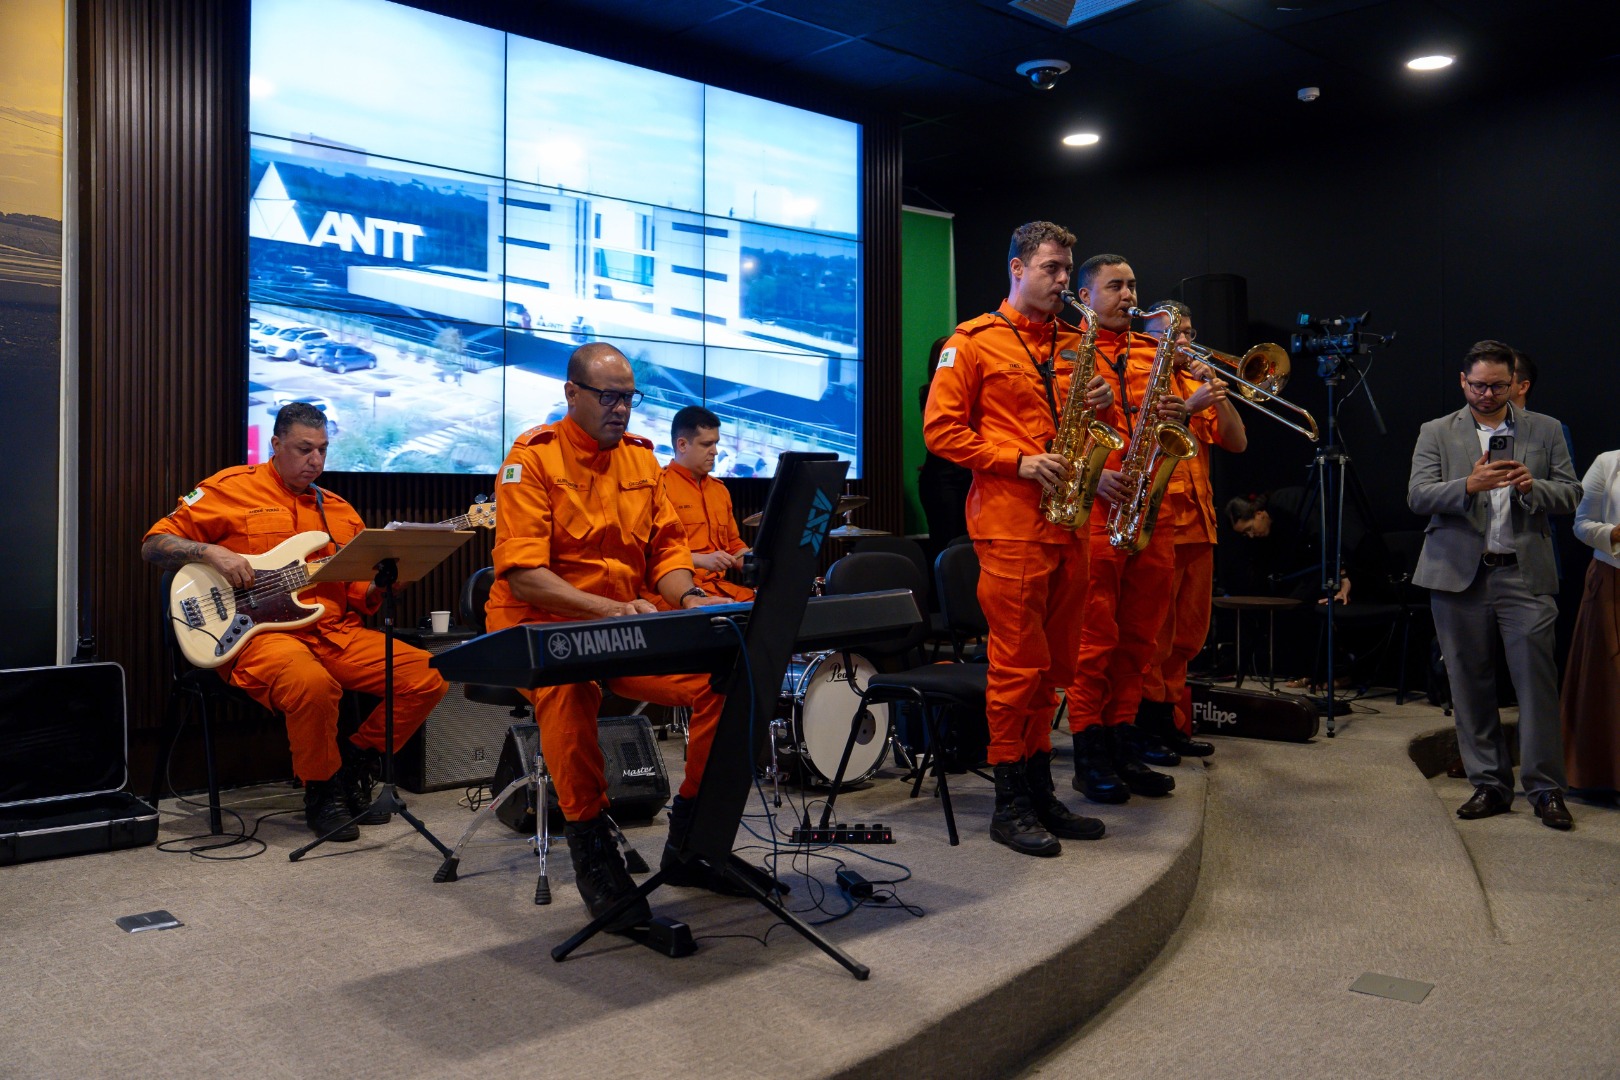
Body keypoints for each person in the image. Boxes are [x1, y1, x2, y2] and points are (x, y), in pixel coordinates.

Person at [486, 342, 752, 931]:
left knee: (726, 680)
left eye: (629, 398)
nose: (622, 409)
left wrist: (689, 600)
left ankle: (692, 840)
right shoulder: (529, 461)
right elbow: (529, 580)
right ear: (572, 394)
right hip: (541, 627)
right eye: (609, 397)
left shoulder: (640, 462)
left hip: (622, 625)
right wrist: (606, 611)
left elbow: (667, 555)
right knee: (572, 687)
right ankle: (594, 855)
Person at [141, 402, 448, 841]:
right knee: (313, 683)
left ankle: (356, 760)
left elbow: (360, 599)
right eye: (305, 449)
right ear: (276, 444)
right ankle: (323, 791)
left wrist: (382, 588)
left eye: (323, 450)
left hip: (334, 632)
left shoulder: (340, 511)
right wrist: (211, 552)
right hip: (259, 638)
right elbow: (154, 543)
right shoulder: (231, 488)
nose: (316, 461)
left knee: (429, 675)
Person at [923, 219, 1113, 857]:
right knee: (1014, 670)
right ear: (1016, 267)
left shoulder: (1073, 338)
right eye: (1051, 268)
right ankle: (1009, 801)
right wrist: (1018, 461)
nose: (1063, 281)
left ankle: (1038, 786)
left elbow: (1084, 426)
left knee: (1053, 669)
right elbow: (941, 433)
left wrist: (1103, 405)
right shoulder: (972, 342)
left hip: (1070, 524)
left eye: (1066, 270)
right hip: (1010, 528)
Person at [1408, 339, 1581, 830]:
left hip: (1523, 574)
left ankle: (1546, 790)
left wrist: (1533, 486)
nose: (1486, 394)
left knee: (1537, 687)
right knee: (1469, 685)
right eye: (1478, 385)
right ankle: (1489, 785)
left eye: (1497, 385)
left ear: (1514, 383)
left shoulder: (1545, 429)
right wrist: (1468, 485)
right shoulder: (1436, 431)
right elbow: (1417, 496)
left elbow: (1571, 493)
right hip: (1457, 576)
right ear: (1463, 381)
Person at [1065, 255, 1188, 804]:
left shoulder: (1153, 351)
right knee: (1094, 642)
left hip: (1147, 510)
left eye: (1133, 283)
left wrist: (1175, 414)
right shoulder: (1067, 350)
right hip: (1095, 511)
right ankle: (1089, 755)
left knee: (1139, 641)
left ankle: (1124, 744)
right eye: (1115, 285)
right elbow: (1058, 431)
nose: (1128, 294)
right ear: (1087, 296)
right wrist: (1100, 478)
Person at [1135, 301, 1246, 758]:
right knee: (1154, 637)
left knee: (1188, 636)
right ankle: (1148, 730)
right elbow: (1139, 441)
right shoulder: (1143, 376)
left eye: (1188, 331)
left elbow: (1237, 442)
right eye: (1173, 334)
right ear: (1150, 338)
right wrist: (1189, 406)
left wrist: (1218, 395)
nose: (1185, 341)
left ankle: (1175, 723)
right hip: (1160, 523)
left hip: (1200, 524)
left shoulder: (1194, 380)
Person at [1560, 448, 1620, 798]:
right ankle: (1605, 775)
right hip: (1612, 580)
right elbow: (1581, 524)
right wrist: (1614, 533)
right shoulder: (1608, 462)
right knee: (1609, 680)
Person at [652, 405, 754, 605]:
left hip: (718, 588)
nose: (715, 452)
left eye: (716, 443)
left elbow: (734, 545)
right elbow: (650, 554)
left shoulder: (720, 490)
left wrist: (756, 561)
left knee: (771, 607)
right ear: (682, 445)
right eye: (707, 444)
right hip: (672, 595)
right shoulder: (659, 487)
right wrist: (700, 560)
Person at [917, 335, 973, 563]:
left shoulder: (975, 387)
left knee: (969, 541)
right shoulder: (930, 391)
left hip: (969, 473)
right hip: (943, 477)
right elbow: (939, 435)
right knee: (946, 542)